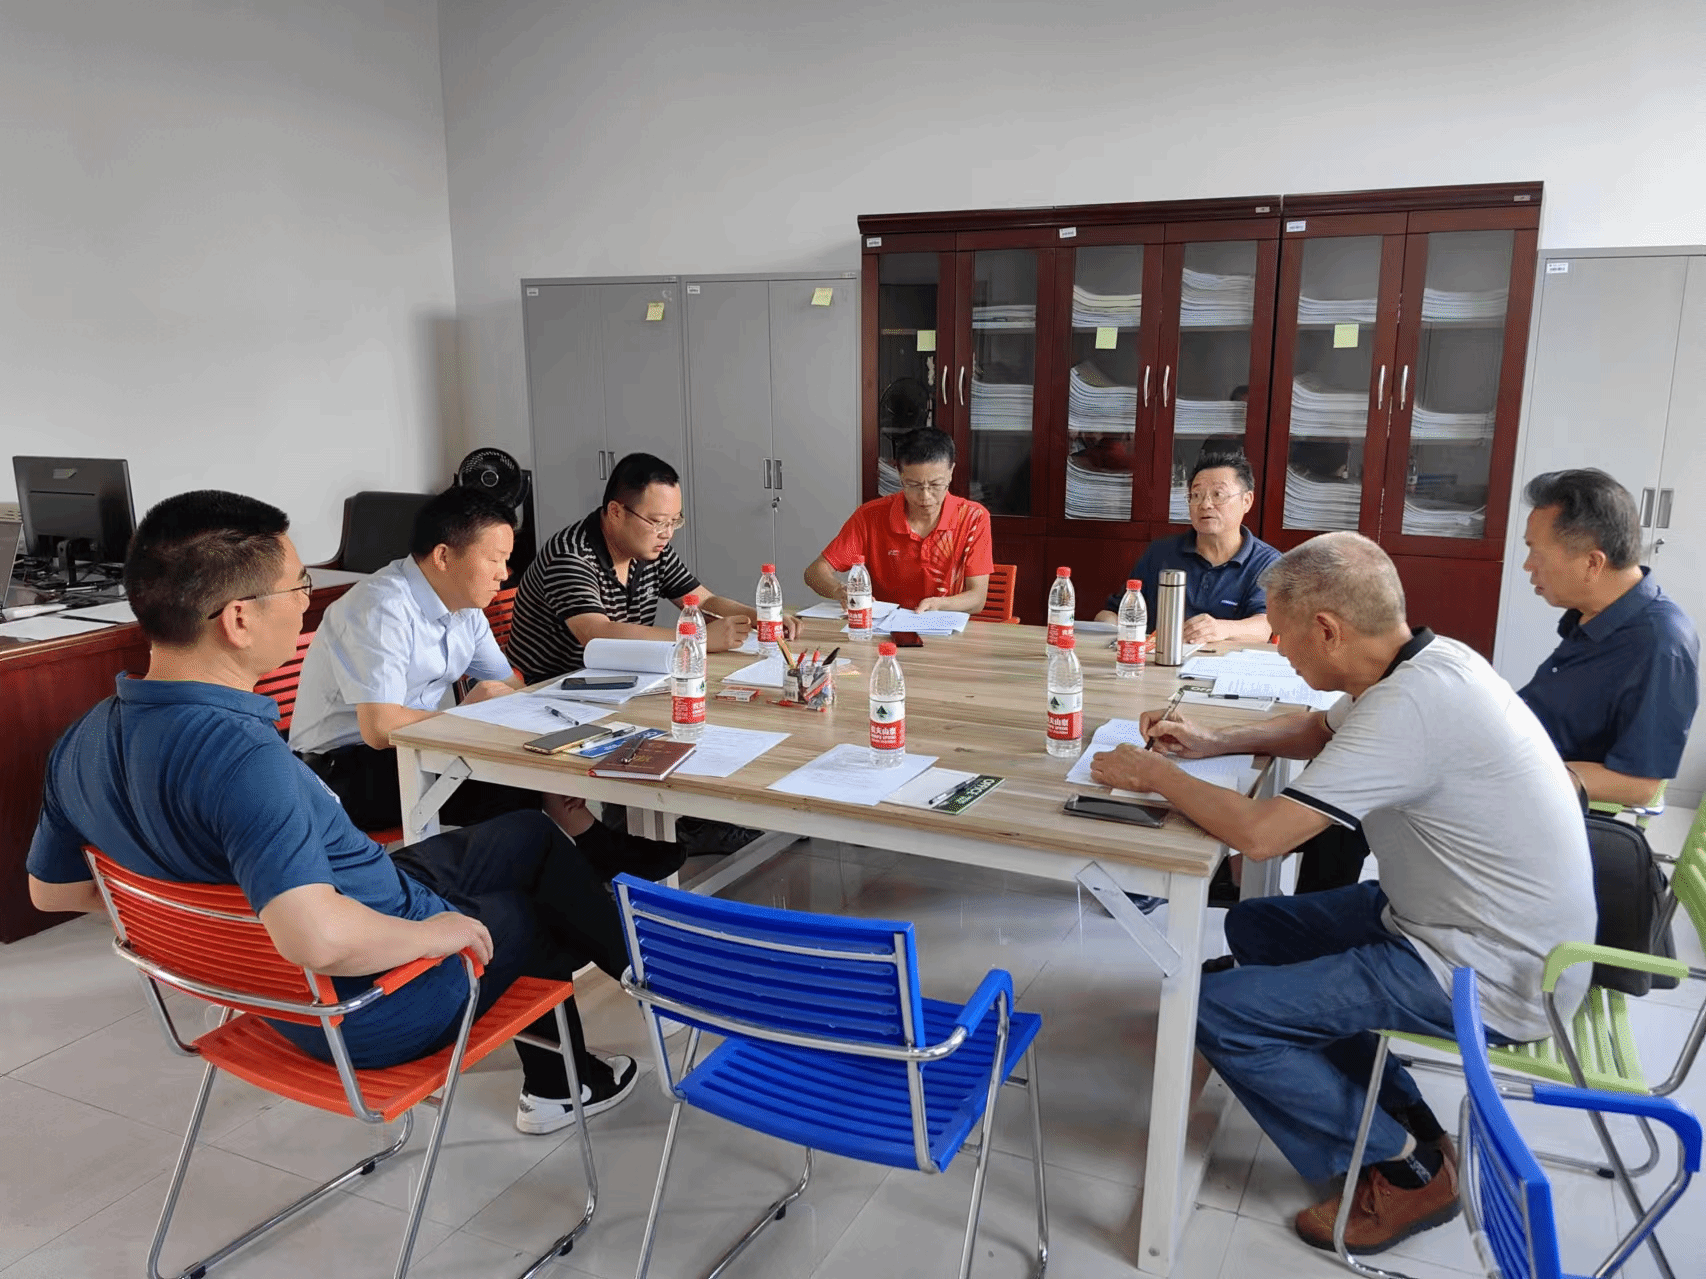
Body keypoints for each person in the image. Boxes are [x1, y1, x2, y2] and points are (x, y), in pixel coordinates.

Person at [27, 491, 639, 1136]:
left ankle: (638, 978)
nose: (306, 603)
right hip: (376, 1001)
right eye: (299, 586)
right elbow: (316, 939)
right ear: (238, 619)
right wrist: (437, 936)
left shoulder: (82, 739)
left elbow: (52, 891)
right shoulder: (246, 762)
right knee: (536, 906)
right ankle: (571, 1077)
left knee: (528, 836)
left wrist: (214, 919)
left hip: (297, 963)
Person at [1089, 531, 1596, 1254]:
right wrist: (1210, 742)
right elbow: (1317, 729)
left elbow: (1262, 836)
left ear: (1327, 629)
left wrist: (1156, 775)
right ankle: (1411, 1119)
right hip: (1465, 921)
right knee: (1257, 930)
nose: (1280, 649)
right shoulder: (1428, 663)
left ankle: (1405, 1167)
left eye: (1284, 634)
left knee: (1216, 1009)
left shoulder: (1409, 707)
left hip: (1490, 970)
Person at [287, 486, 683, 878]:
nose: (504, 574)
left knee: (527, 765)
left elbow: (509, 685)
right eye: (494, 559)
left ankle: (583, 853)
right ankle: (563, 869)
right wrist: (464, 716)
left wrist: (556, 745)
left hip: (412, 748)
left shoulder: (463, 605)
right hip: (341, 771)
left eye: (507, 560)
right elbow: (379, 728)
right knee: (506, 786)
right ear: (443, 556)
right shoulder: (381, 607)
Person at [507, 452, 798, 684]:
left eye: (674, 522)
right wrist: (695, 638)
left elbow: (703, 601)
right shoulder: (570, 555)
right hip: (550, 690)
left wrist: (763, 618)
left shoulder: (651, 550)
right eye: (658, 522)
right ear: (616, 512)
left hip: (620, 680)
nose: (667, 534)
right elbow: (597, 634)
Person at [1516, 468, 1699, 807]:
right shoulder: (1595, 613)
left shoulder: (1660, 645)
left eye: (1535, 552)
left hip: (1543, 800)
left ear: (1592, 563)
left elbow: (1639, 785)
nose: (1528, 566)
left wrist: (1519, 775)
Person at [1093, 449, 1279, 645]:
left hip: (1228, 662)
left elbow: (1265, 626)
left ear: (1247, 501)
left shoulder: (1267, 562)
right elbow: (1117, 611)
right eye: (1196, 495)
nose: (1205, 504)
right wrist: (1107, 624)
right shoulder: (1160, 553)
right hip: (1159, 659)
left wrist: (1220, 629)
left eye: (1218, 495)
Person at [804, 428, 992, 615]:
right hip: (883, 625)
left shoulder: (973, 517)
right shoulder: (871, 516)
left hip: (945, 624)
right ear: (900, 475)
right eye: (914, 485)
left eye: (935, 485)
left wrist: (939, 604)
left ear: (951, 471)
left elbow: (977, 599)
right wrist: (840, 590)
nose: (925, 496)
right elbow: (814, 572)